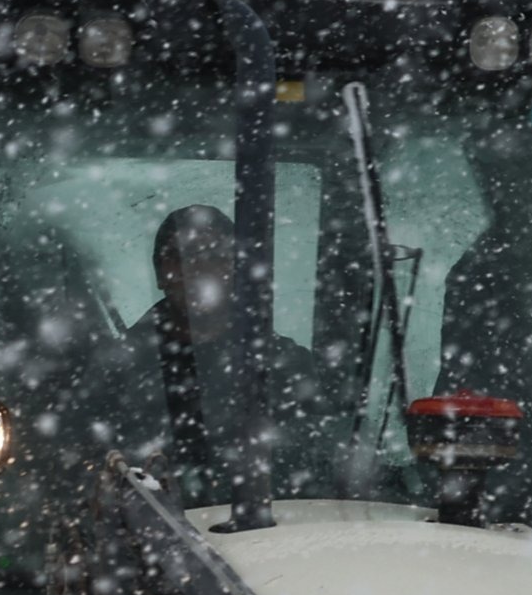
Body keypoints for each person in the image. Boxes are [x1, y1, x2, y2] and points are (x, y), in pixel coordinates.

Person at [112, 203, 362, 503]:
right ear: (160, 272)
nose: (198, 270)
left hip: (268, 536)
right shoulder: (116, 369)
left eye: (215, 257)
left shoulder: (286, 366)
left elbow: (317, 477)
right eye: (183, 257)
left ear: (237, 270)